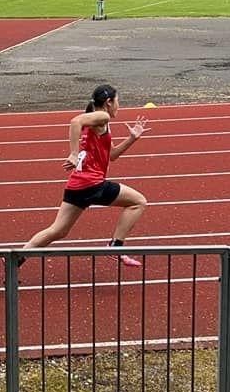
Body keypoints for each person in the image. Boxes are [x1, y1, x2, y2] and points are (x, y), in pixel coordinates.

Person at [23, 84, 150, 267]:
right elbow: (76, 121)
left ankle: (16, 259)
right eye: (118, 101)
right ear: (108, 102)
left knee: (58, 231)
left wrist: (132, 139)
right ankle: (116, 246)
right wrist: (74, 153)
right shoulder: (102, 116)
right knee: (139, 202)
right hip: (92, 184)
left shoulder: (100, 123)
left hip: (77, 186)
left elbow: (111, 156)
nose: (118, 106)